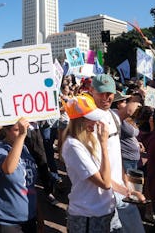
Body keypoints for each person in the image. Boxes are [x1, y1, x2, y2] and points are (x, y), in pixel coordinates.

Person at [90, 74, 145, 233]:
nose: (106, 97)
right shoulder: (87, 123)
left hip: (120, 189)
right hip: (103, 195)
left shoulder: (113, 116)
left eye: (110, 93)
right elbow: (97, 170)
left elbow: (115, 154)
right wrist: (127, 190)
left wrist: (125, 180)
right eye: (101, 93)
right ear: (91, 91)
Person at [61, 94, 115, 232]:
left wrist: (127, 192)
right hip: (87, 215)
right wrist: (104, 144)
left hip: (101, 211)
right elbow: (105, 183)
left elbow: (106, 174)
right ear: (80, 121)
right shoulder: (73, 145)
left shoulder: (91, 137)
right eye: (92, 119)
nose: (96, 123)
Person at [0, 118, 38, 232]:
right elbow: (8, 169)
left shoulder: (24, 148)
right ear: (6, 130)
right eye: (17, 130)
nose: (23, 132)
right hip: (7, 222)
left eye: (24, 129)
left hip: (29, 218)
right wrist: (21, 136)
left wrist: (38, 213)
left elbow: (30, 185)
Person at [111, 92, 143, 172]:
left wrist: (137, 143)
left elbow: (130, 134)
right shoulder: (114, 114)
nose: (127, 103)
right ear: (118, 104)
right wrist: (137, 97)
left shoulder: (127, 118)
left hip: (133, 158)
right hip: (125, 159)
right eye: (124, 101)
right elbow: (129, 111)